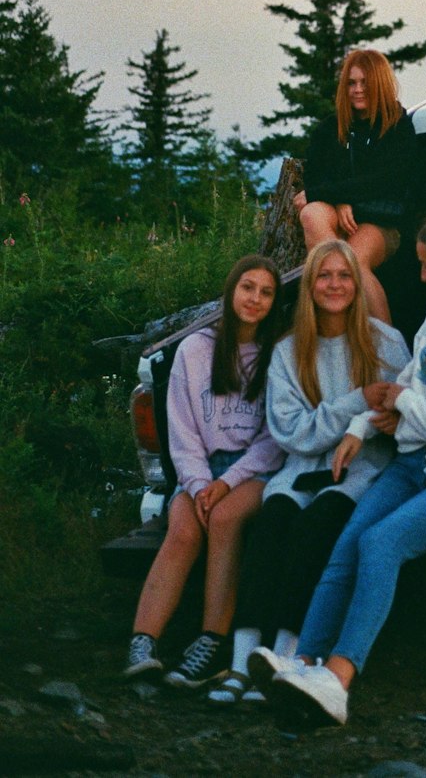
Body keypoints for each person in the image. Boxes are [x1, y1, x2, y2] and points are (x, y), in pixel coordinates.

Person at [249, 212, 426, 726]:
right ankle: (302, 664)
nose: (421, 277)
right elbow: (411, 377)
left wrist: (405, 406)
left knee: (382, 543)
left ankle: (339, 680)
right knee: (348, 543)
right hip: (412, 461)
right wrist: (362, 426)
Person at [208, 239, 410, 704]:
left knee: (315, 530)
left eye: (343, 275)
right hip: (299, 471)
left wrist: (360, 419)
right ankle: (241, 662)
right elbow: (294, 434)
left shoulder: (385, 343)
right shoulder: (288, 351)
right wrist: (358, 400)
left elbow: (394, 418)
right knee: (272, 526)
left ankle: (287, 657)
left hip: (361, 472)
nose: (334, 284)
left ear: (356, 284)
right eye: (324, 275)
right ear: (310, 285)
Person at [123, 256, 284, 688]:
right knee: (184, 530)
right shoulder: (195, 350)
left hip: (253, 472)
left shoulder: (277, 354)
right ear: (231, 291)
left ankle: (211, 643)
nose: (255, 299)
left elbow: (273, 439)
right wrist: (198, 485)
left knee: (226, 520)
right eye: (247, 287)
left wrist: (226, 483)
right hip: (200, 468)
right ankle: (143, 642)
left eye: (267, 292)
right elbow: (183, 431)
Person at [294, 49, 416, 324]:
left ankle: (389, 348)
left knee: (354, 263)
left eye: (365, 83)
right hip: (341, 215)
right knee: (311, 214)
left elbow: (385, 182)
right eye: (351, 83)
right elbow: (314, 175)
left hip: (380, 222)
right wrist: (339, 203)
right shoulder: (331, 128)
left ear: (380, 84)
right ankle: (338, 321)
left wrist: (338, 197)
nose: (358, 90)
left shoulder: (398, 128)